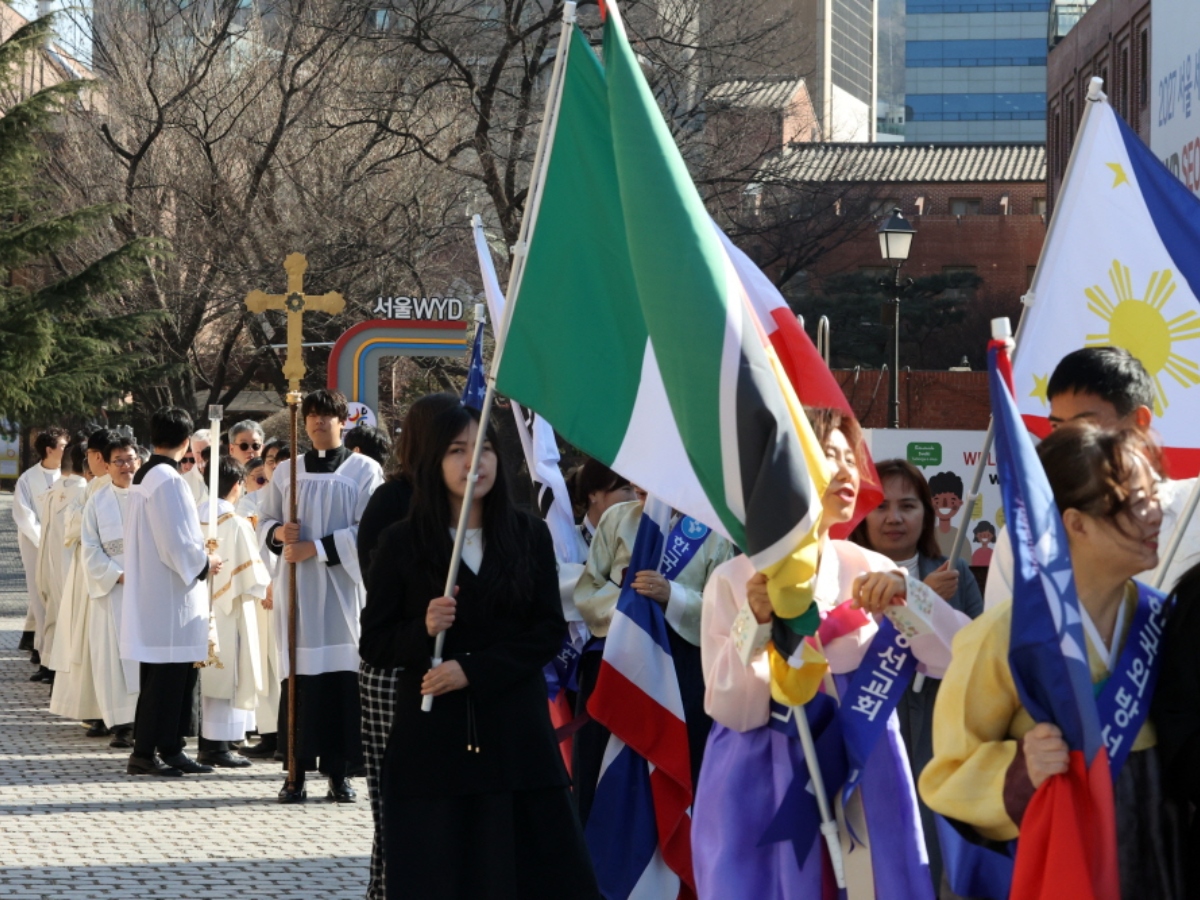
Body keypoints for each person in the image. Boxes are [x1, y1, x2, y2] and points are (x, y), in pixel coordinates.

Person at [693, 408, 970, 899]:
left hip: (864, 765)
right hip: (763, 773)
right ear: (785, 470)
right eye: (828, 456)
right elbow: (732, 708)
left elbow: (958, 657)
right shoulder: (735, 580)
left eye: (850, 457)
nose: (847, 471)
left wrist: (908, 596)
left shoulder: (872, 567)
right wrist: (755, 621)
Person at [921, 425, 1184, 898]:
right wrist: (1022, 768)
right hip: (1057, 866)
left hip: (1156, 861)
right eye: (1136, 502)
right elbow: (948, 776)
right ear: (1076, 523)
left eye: (1155, 497)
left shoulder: (1166, 620)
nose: (1156, 515)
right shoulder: (1004, 634)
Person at [360, 403, 600, 900]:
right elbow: (375, 643)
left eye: (484, 448)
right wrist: (424, 628)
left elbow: (545, 632)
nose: (475, 462)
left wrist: (472, 669)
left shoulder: (528, 535)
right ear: (433, 461)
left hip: (517, 741)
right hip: (434, 749)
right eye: (457, 450)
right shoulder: (402, 542)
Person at [848, 457, 985, 892]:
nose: (894, 518)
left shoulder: (953, 573)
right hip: (872, 724)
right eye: (881, 506)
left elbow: (977, 648)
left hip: (940, 729)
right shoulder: (844, 572)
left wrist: (925, 598)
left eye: (907, 506)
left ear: (926, 514)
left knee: (932, 842)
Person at [573, 471, 735, 826]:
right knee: (606, 766)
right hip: (617, 659)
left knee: (674, 767)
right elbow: (587, 591)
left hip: (681, 667)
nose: (643, 487)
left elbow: (722, 607)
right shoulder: (617, 518)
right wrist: (630, 608)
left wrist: (671, 595)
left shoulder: (712, 530)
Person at [986, 346, 1198, 607]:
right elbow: (1005, 625)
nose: (1068, 442)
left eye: (1084, 424)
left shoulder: (1193, 508)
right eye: (1057, 426)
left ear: (1140, 421)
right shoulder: (1027, 533)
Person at [355, 392, 459, 900]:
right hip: (396, 664)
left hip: (451, 671)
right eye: (454, 442)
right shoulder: (393, 500)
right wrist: (422, 621)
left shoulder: (466, 506)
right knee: (396, 798)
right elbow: (379, 591)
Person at [258, 388, 383, 802]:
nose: (317, 422)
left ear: (342, 421)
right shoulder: (287, 471)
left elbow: (370, 530)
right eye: (311, 415)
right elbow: (265, 519)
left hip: (341, 592)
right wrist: (279, 533)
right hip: (298, 591)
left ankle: (338, 772)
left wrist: (317, 547)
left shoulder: (364, 470)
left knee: (340, 685)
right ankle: (295, 774)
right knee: (300, 683)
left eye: (326, 415)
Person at [121, 407, 223, 777]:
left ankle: (170, 747)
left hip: (157, 593)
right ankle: (145, 753)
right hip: (170, 596)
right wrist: (205, 562)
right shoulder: (168, 479)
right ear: (186, 442)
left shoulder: (147, 475)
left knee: (167, 678)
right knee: (165, 681)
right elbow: (176, 541)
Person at [196, 457, 269, 769]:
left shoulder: (192, 517)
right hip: (231, 610)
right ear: (238, 485)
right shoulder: (237, 523)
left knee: (208, 675)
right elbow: (255, 578)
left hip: (198, 606)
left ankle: (208, 743)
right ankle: (218, 746)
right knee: (229, 673)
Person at [48, 428, 119, 734]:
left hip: (106, 575)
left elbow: (77, 525)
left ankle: (109, 714)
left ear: (98, 456)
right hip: (90, 574)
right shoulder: (93, 487)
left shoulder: (106, 488)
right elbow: (71, 525)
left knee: (102, 645)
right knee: (90, 645)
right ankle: (96, 710)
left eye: (89, 453)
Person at [81, 436, 142, 748]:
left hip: (147, 591)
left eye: (130, 459)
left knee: (143, 656)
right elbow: (89, 548)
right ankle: (121, 724)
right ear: (106, 465)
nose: (126, 466)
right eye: (118, 461)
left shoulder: (149, 496)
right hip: (112, 591)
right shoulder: (97, 501)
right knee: (113, 659)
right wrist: (116, 575)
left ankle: (147, 721)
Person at [35, 435, 89, 684]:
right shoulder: (83, 491)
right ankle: (58, 669)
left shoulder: (56, 488)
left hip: (48, 564)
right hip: (68, 566)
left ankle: (48, 664)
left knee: (53, 615)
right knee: (68, 620)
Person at [13, 427, 68, 658]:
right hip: (34, 545)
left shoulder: (68, 477)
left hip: (63, 544)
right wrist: (43, 540)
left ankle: (52, 645)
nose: (67, 449)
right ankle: (43, 649)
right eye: (63, 446)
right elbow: (24, 514)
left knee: (60, 593)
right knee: (39, 593)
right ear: (49, 450)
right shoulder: (27, 479)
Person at [183, 429, 210, 506]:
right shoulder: (184, 481)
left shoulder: (227, 477)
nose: (202, 457)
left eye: (206, 452)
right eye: (198, 452)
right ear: (193, 453)